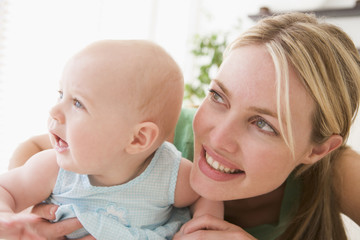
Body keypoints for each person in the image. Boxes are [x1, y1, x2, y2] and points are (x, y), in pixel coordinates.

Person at [3, 12, 360, 240]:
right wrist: (36, 212)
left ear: (317, 149)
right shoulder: (166, 133)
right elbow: (37, 149)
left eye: (263, 124)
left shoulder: (339, 171)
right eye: (218, 97)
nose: (218, 139)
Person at [0, 40, 223, 240]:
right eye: (61, 94)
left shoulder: (168, 174)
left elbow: (205, 193)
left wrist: (203, 225)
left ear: (138, 138)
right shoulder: (53, 170)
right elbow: (6, 189)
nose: (54, 110)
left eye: (78, 103)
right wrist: (6, 218)